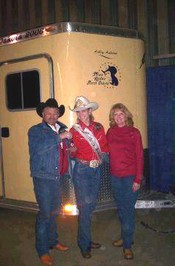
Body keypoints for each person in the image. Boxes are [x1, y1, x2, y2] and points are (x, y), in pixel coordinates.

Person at [28, 98, 72, 266]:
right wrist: (60, 137)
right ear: (43, 114)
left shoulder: (62, 128)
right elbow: (39, 149)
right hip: (44, 178)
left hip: (59, 177)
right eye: (49, 113)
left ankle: (53, 241)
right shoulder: (36, 130)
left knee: (55, 212)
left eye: (55, 113)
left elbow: (62, 150)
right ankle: (42, 250)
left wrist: (71, 148)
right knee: (45, 214)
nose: (52, 116)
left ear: (59, 113)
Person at [69, 96, 109, 259]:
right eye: (78, 111)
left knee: (91, 207)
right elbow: (72, 153)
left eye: (84, 110)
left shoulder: (99, 127)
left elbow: (105, 147)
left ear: (90, 111)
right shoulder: (73, 131)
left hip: (96, 170)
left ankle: (87, 239)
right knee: (85, 209)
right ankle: (84, 245)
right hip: (82, 171)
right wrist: (72, 151)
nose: (81, 114)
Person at [107, 103, 143, 260]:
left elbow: (140, 156)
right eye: (115, 114)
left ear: (126, 115)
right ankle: (125, 236)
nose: (118, 117)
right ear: (112, 118)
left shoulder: (134, 132)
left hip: (130, 178)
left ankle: (127, 246)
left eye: (121, 114)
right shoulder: (111, 132)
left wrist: (137, 179)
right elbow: (104, 149)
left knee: (127, 211)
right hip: (115, 177)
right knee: (121, 210)